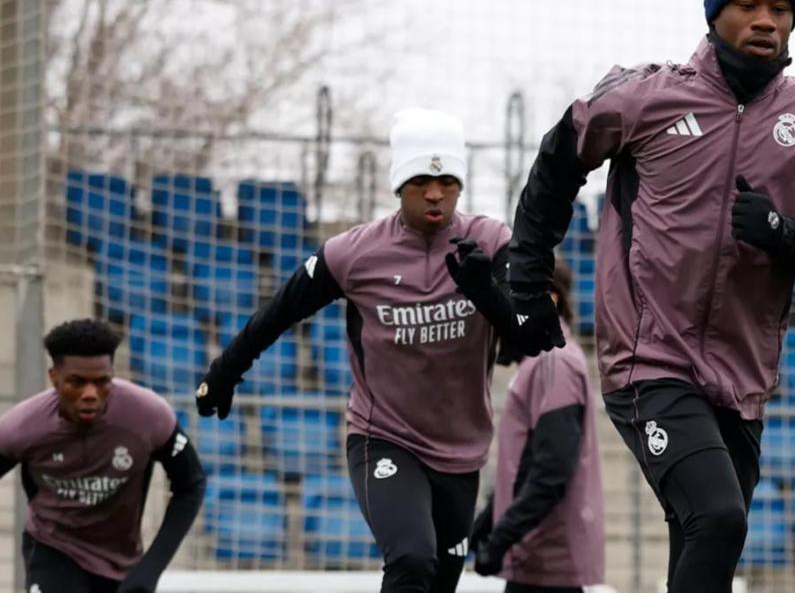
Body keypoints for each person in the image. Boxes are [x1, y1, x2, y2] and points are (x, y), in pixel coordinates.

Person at [503, 0, 795, 592]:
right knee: (719, 516)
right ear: (713, 12)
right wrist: (527, 279)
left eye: (781, 7)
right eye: (747, 3)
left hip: (742, 380)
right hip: (650, 364)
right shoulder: (645, 97)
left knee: (702, 541)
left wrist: (782, 232)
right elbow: (558, 158)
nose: (766, 19)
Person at [195, 107, 512, 593]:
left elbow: (528, 326)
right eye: (419, 181)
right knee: (411, 559)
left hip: (461, 451)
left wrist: (488, 290)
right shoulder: (354, 253)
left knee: (440, 581)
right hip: (383, 436)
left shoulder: (490, 242)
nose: (434, 193)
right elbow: (280, 311)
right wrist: (225, 371)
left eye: (447, 180)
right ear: (397, 185)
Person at [0, 319, 206, 593]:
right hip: (54, 550)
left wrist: (150, 569)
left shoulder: (148, 415)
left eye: (101, 382)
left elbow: (190, 485)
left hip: (122, 562)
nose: (90, 394)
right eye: (77, 382)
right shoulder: (22, 426)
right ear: (54, 377)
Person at [466, 260, 603, 593]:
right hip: (537, 558)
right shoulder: (542, 361)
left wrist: (501, 538)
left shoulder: (553, 361)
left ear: (550, 300)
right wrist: (487, 523)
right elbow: (527, 463)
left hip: (545, 559)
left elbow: (552, 469)